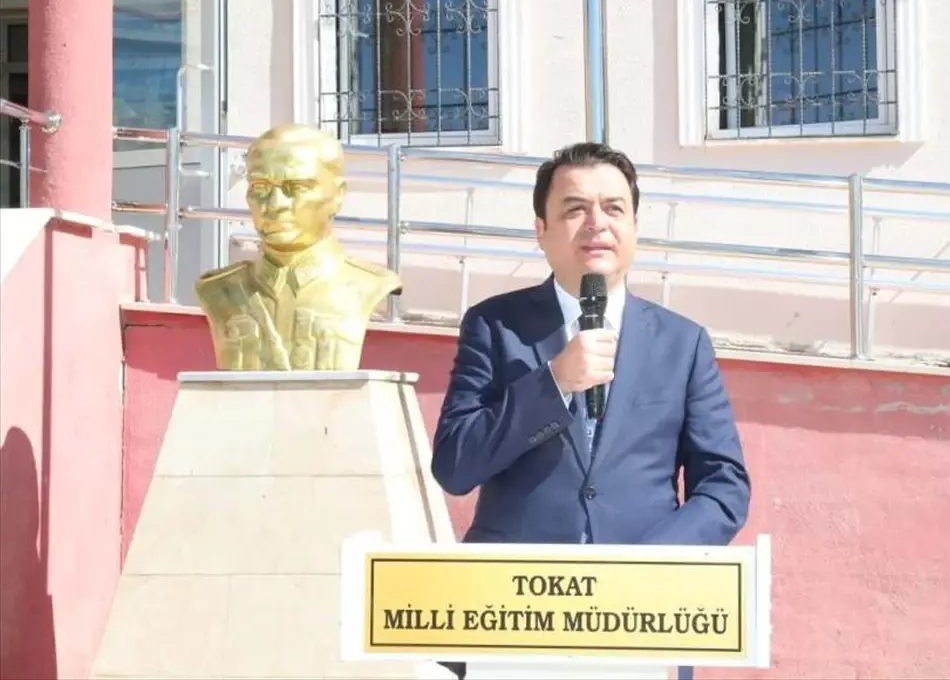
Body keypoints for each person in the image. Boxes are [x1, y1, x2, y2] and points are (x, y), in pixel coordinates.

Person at [431, 141, 750, 549]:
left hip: (638, 580)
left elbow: (724, 487)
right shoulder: (495, 326)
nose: (596, 223)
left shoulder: (683, 344)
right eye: (575, 209)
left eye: (614, 209)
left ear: (634, 227)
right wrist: (553, 384)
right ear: (541, 231)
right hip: (519, 579)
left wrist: (650, 562)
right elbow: (455, 467)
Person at [195, 123, 401, 370]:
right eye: (260, 187)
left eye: (296, 187)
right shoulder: (219, 290)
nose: (274, 205)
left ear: (337, 195)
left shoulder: (368, 285)